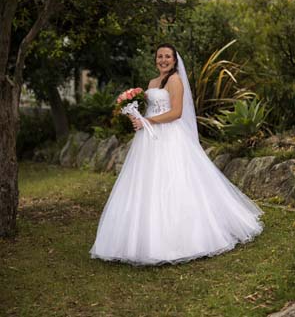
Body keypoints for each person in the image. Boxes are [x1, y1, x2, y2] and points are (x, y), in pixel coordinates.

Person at [89, 43, 263, 266]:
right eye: (160, 56)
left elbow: (176, 112)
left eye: (167, 56)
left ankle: (183, 239)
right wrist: (137, 117)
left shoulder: (175, 80)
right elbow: (150, 110)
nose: (163, 60)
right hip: (148, 140)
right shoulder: (152, 83)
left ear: (174, 60)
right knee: (146, 184)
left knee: (174, 182)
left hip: (170, 137)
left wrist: (148, 121)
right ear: (156, 60)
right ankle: (140, 240)